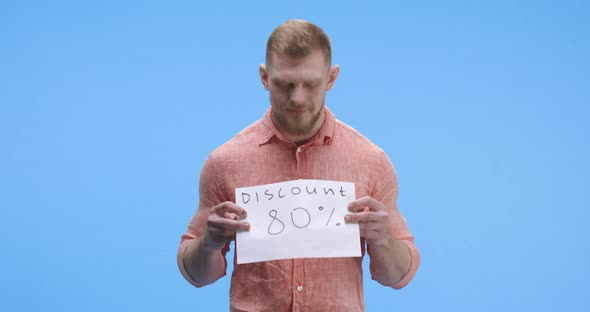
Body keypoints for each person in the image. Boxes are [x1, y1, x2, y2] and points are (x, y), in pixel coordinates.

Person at [177, 19, 420, 311]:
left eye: (311, 84)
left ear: (331, 79)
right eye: (285, 84)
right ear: (264, 78)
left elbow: (399, 276)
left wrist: (383, 239)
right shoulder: (224, 162)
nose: (297, 97)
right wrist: (209, 242)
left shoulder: (371, 161)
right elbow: (197, 275)